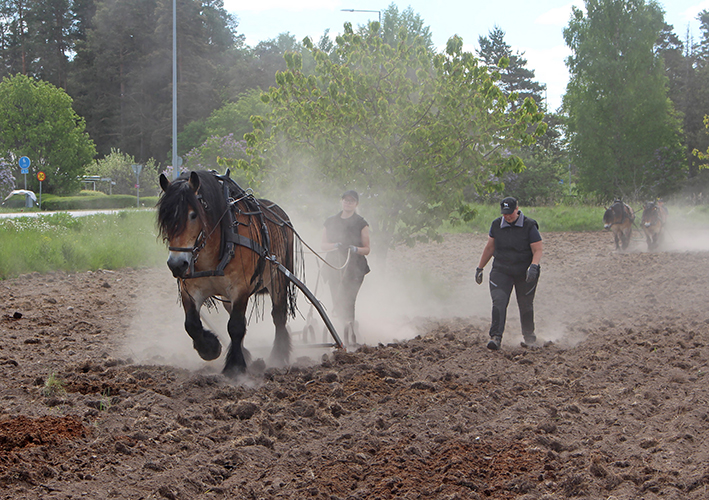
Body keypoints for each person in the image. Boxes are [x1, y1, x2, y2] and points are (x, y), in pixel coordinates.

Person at [475, 196, 543, 350]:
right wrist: (480, 268)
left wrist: (534, 266)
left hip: (524, 271)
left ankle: (529, 337)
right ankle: (496, 337)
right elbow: (489, 248)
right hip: (501, 269)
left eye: (510, 213)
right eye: (505, 213)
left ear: (517, 209)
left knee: (525, 303)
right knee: (499, 301)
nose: (507, 216)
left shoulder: (529, 225)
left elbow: (537, 249)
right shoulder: (496, 225)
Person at [321, 190, 371, 342]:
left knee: (349, 299)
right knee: (336, 298)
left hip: (355, 268)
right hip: (334, 266)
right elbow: (323, 245)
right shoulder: (330, 221)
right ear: (341, 201)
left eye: (351, 201)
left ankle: (350, 330)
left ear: (356, 204)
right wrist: (335, 245)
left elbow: (367, 249)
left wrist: (354, 249)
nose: (348, 203)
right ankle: (340, 330)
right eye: (346, 200)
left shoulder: (361, 223)